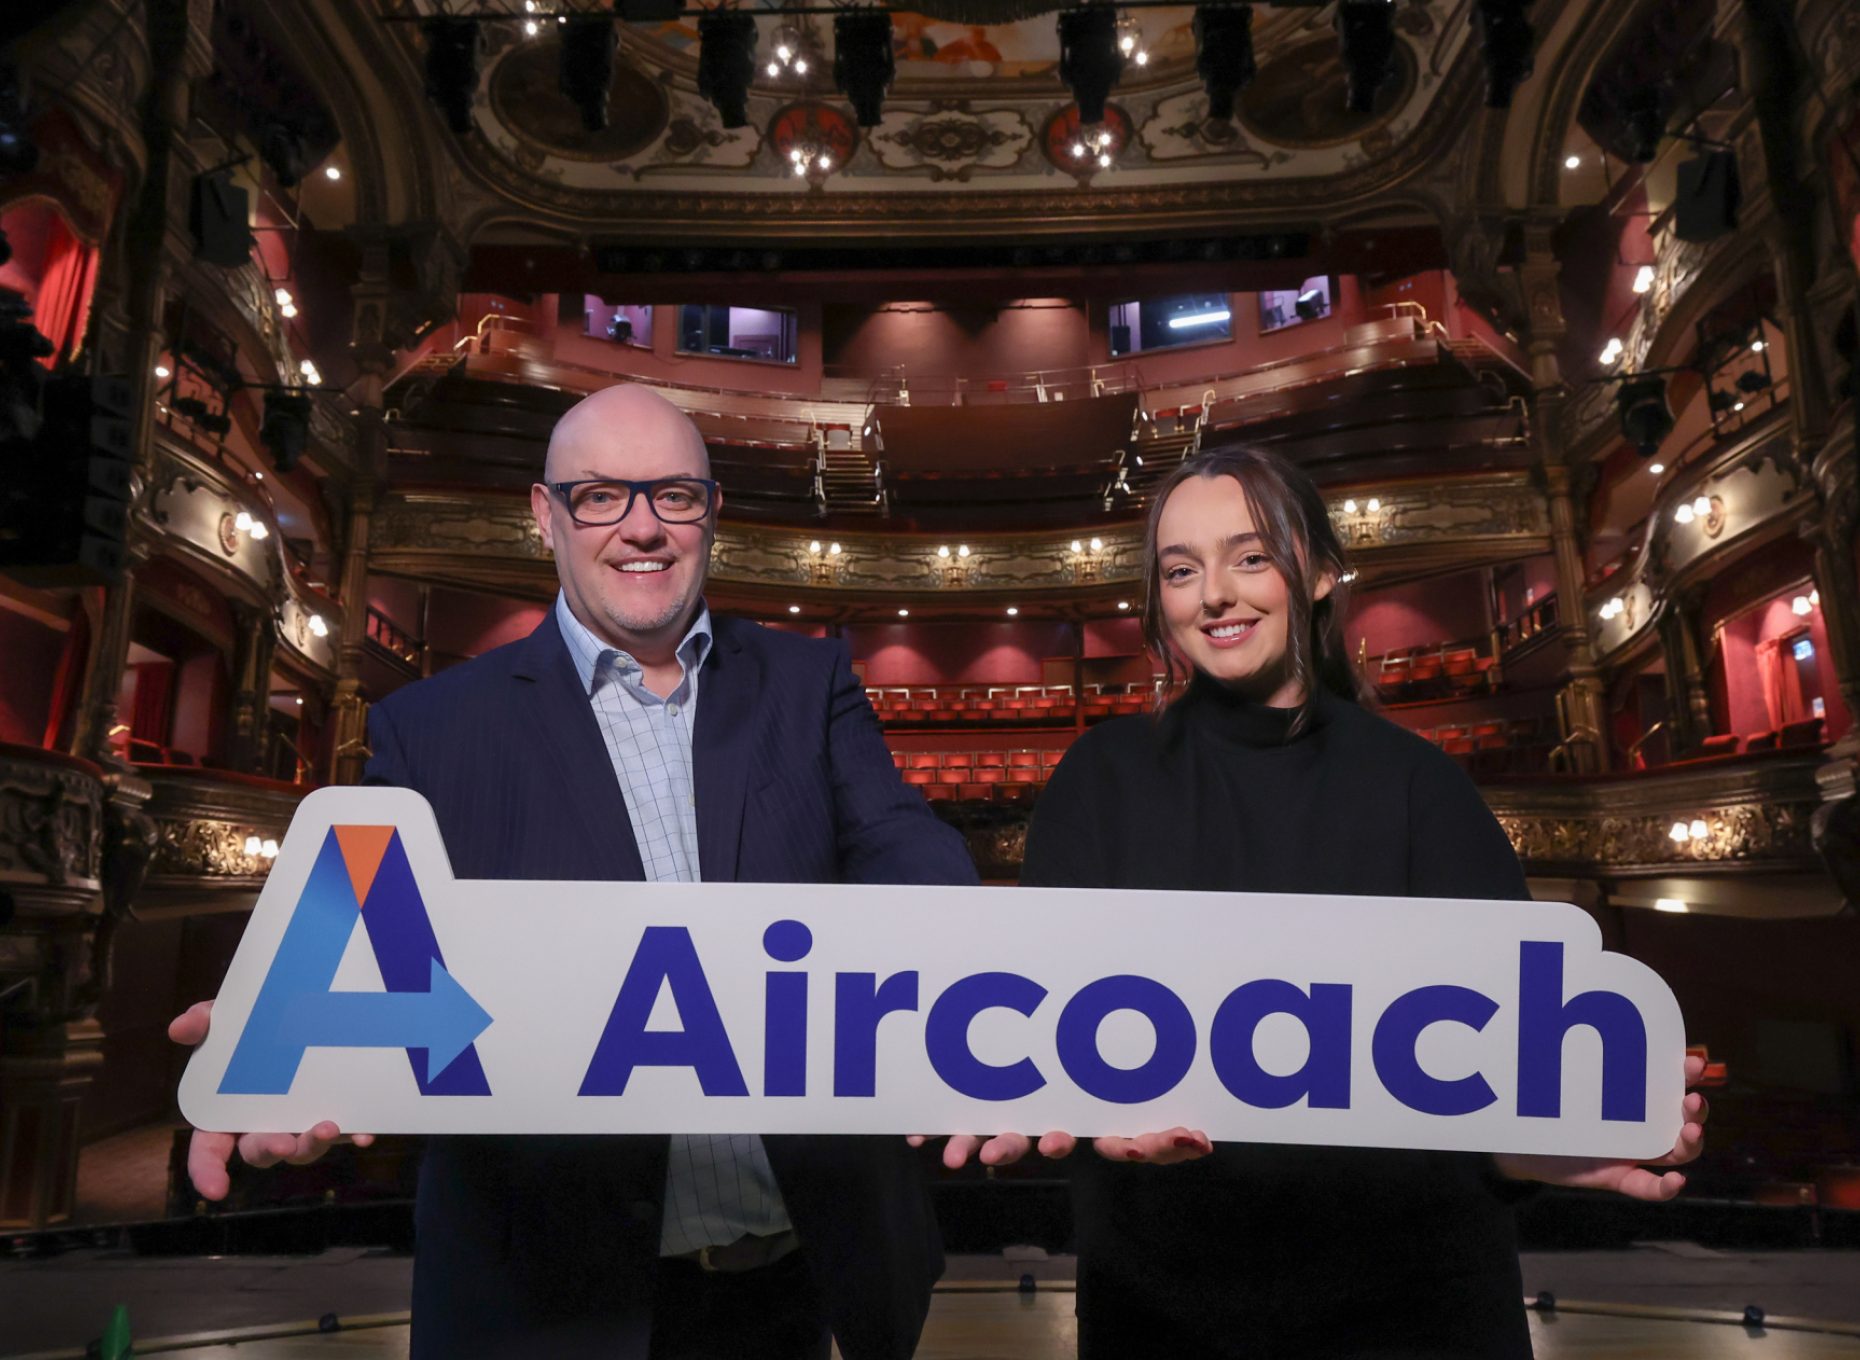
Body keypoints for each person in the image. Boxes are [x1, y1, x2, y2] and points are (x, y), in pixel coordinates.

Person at [170, 383, 979, 1360]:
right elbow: (365, 943)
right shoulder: (430, 730)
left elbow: (905, 847)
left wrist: (985, 977)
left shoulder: (809, 684)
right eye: (600, 495)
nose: (642, 527)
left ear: (711, 513)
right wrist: (285, 1041)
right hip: (546, 1301)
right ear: (544, 515)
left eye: (674, 494)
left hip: (791, 1281)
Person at [964, 447, 1709, 1357]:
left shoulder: (1423, 788)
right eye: (1181, 571)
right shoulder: (1098, 782)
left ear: (1318, 572)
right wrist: (1090, 1122)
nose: (1215, 596)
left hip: (1413, 1312)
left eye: (1250, 558)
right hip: (1166, 1310)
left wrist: (1540, 1147)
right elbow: (1054, 1039)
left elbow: (1495, 1072)